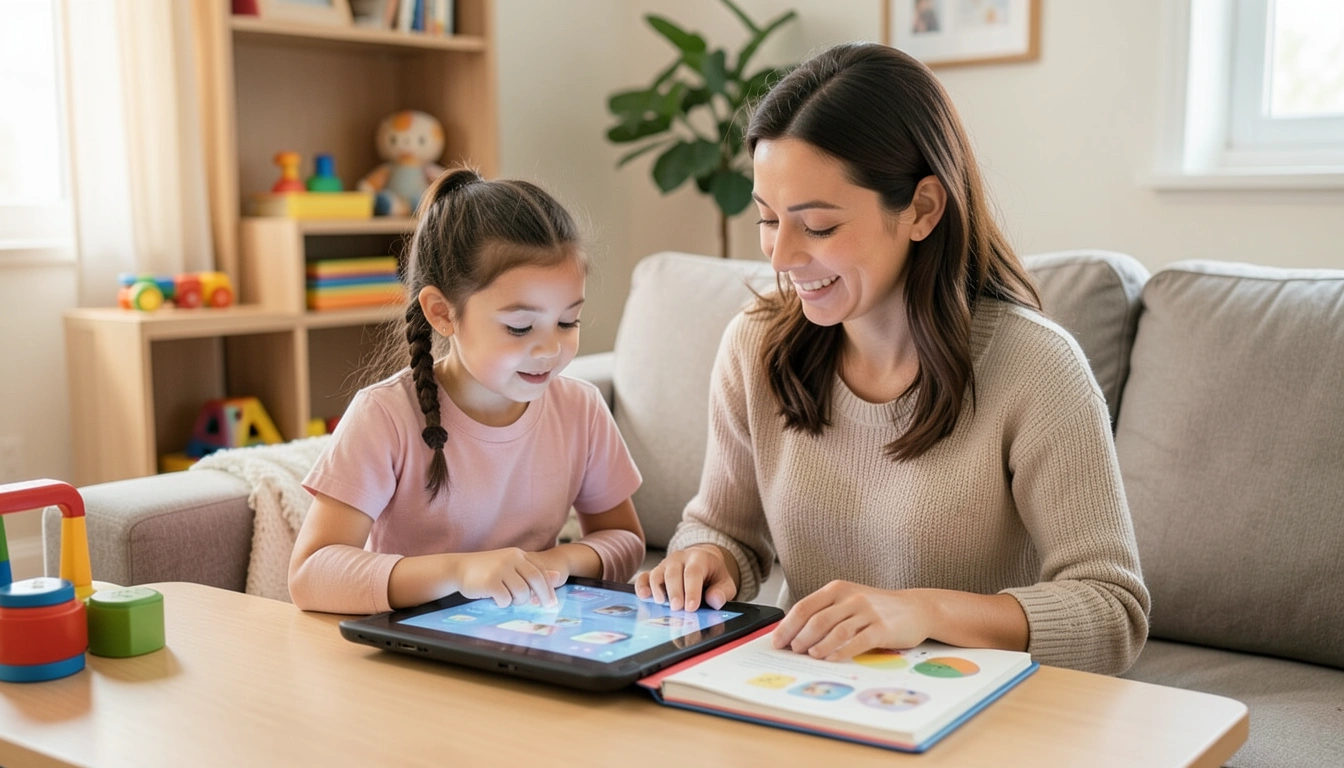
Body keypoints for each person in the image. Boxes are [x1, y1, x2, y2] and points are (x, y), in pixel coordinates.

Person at [635, 43, 1149, 675]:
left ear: (922, 209)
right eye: (768, 219)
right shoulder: (755, 343)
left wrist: (923, 613)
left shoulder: (1036, 368)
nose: (781, 257)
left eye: (817, 226)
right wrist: (702, 559)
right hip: (811, 691)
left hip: (973, 707)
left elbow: (1111, 612)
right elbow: (723, 531)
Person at [290, 168, 645, 615]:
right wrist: (461, 573)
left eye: (567, 321)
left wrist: (556, 561)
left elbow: (627, 542)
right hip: (417, 651)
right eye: (519, 327)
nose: (551, 348)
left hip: (535, 641)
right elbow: (310, 574)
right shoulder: (385, 415)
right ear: (443, 313)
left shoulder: (582, 409)